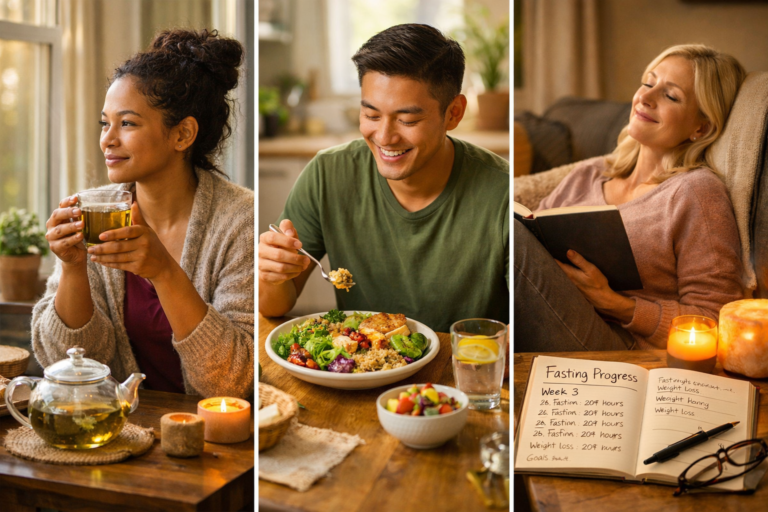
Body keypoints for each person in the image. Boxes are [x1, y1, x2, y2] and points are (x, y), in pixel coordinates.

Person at [32, 29, 254, 398]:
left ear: (182, 135)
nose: (107, 139)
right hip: (115, 433)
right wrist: (73, 267)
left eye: (128, 123)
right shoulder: (92, 210)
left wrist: (163, 271)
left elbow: (233, 382)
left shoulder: (240, 220)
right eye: (105, 123)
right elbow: (65, 365)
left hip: (213, 445)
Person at [258, 24, 509, 333]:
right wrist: (273, 274)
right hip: (362, 373)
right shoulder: (328, 175)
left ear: (453, 113)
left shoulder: (503, 193)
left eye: (407, 120)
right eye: (371, 116)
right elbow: (274, 306)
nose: (385, 137)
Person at [515, 44, 746, 352]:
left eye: (670, 96)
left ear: (700, 127)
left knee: (512, 237)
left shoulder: (696, 192)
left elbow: (714, 319)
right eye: (648, 83)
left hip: (619, 346)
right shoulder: (591, 173)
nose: (645, 98)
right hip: (545, 319)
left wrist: (615, 303)